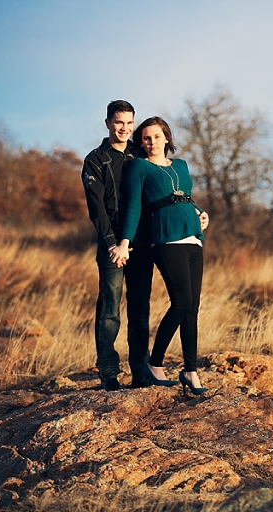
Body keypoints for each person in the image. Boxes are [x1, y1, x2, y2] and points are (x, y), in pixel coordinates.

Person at [111, 116, 210, 396]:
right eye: (145, 138)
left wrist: (201, 212)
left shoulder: (181, 165)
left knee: (192, 309)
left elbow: (184, 197)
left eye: (156, 136)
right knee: (181, 303)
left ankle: (190, 371)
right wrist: (124, 242)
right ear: (141, 143)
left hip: (193, 237)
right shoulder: (139, 167)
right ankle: (154, 364)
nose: (151, 142)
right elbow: (133, 206)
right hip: (167, 239)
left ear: (166, 137)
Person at [81, 100, 154, 391]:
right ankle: (109, 374)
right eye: (119, 122)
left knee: (140, 309)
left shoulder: (141, 154)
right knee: (109, 308)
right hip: (111, 245)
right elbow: (96, 208)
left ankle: (140, 373)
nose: (124, 128)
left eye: (129, 123)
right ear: (108, 123)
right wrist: (112, 243)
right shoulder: (96, 160)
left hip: (141, 243)